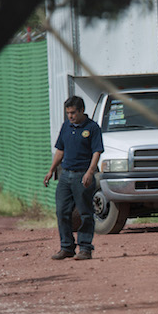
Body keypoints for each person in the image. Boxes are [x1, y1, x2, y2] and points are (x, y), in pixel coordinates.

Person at [44, 96, 104, 261]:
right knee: (61, 211)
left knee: (85, 212)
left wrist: (90, 172)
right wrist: (51, 170)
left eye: (73, 113)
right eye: (68, 113)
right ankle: (66, 247)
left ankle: (85, 248)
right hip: (65, 174)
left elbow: (97, 152)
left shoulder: (92, 128)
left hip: (82, 175)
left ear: (81, 110)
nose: (70, 116)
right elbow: (60, 151)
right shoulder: (66, 126)